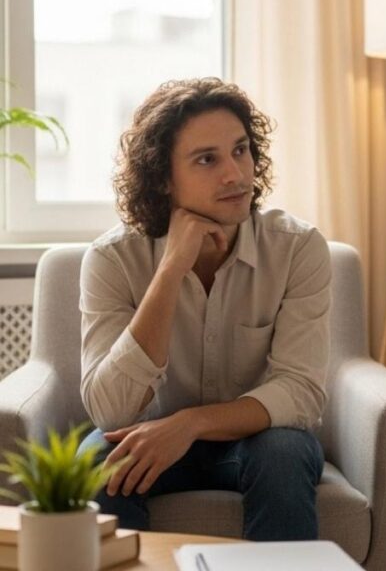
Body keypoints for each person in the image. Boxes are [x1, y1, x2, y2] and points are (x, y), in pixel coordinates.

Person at [78, 78, 331, 540]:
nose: (235, 174)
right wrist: (170, 269)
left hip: (258, 439)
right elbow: (110, 412)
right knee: (98, 462)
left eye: (240, 150)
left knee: (283, 453)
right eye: (207, 159)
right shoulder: (112, 259)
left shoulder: (297, 248)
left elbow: (300, 392)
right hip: (149, 437)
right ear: (163, 178)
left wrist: (190, 424)